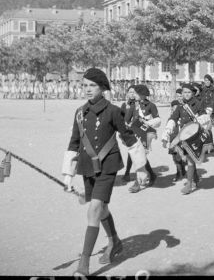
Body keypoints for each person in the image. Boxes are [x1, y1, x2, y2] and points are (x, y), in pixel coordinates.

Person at [62, 68, 148, 275]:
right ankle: (115, 241)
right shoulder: (79, 112)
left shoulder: (112, 111)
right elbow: (74, 143)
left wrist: (141, 167)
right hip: (86, 167)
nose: (88, 89)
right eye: (85, 85)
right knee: (101, 209)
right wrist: (68, 175)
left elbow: (128, 138)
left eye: (93, 85)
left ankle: (83, 264)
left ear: (102, 88)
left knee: (93, 210)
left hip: (108, 167)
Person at [161, 84, 212, 195]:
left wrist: (199, 119)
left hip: (195, 135)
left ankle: (189, 184)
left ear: (193, 93)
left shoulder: (198, 103)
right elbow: (173, 118)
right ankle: (195, 178)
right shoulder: (180, 105)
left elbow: (205, 116)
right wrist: (167, 131)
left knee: (190, 159)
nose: (186, 94)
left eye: (188, 92)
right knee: (188, 159)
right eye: (184, 92)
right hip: (184, 135)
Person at [125, 84, 161, 192]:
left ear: (142, 95)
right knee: (139, 157)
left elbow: (158, 120)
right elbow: (126, 120)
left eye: (135, 93)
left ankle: (138, 182)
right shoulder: (133, 106)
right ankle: (152, 175)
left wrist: (147, 122)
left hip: (147, 134)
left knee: (139, 157)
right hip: (136, 134)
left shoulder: (151, 106)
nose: (133, 95)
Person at [120, 87, 138, 183]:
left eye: (134, 92)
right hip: (127, 132)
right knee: (133, 152)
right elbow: (120, 117)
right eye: (130, 92)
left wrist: (131, 124)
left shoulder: (138, 104)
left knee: (133, 152)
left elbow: (137, 117)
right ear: (127, 93)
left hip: (136, 132)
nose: (132, 94)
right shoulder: (124, 104)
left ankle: (127, 173)